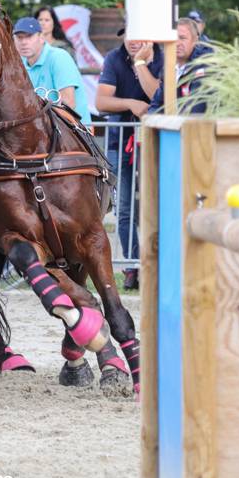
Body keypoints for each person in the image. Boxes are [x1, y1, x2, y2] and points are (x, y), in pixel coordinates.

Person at [95, 36, 163, 289]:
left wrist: (140, 63)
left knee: (155, 205)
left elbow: (158, 95)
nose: (133, 41)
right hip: (119, 140)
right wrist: (130, 104)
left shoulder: (164, 56)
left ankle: (155, 263)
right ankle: (132, 266)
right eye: (128, 35)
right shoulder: (114, 57)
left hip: (155, 142)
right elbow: (101, 102)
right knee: (123, 209)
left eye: (139, 35)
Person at [14, 16, 91, 124]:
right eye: (19, 37)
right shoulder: (18, 62)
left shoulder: (59, 57)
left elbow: (68, 104)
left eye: (29, 36)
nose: (24, 42)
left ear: (41, 37)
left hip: (76, 129)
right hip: (42, 127)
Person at [149, 17, 210, 114]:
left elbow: (196, 109)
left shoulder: (203, 66)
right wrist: (153, 120)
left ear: (195, 41)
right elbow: (156, 104)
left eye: (182, 38)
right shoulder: (169, 68)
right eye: (173, 39)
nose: (177, 43)